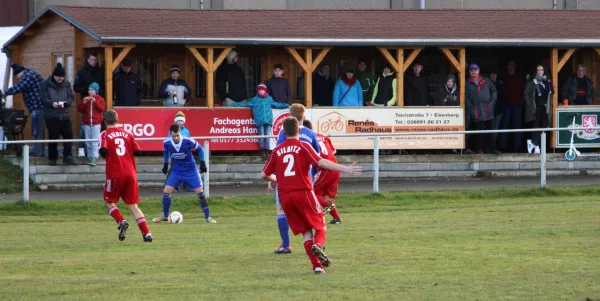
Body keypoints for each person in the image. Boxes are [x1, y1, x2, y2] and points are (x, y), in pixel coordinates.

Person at [261, 116, 362, 274]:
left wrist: (278, 179)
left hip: (285, 197)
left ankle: (317, 266)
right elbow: (321, 162)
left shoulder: (277, 150)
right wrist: (346, 169)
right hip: (303, 193)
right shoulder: (303, 145)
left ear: (284, 132)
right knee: (320, 226)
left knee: (306, 232)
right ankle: (318, 246)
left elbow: (263, 174)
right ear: (299, 130)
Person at [271, 104, 320, 254]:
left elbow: (278, 154)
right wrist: (314, 174)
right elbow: (317, 158)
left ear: (289, 116)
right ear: (304, 117)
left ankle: (286, 245)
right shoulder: (311, 134)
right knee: (309, 211)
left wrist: (272, 178)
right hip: (306, 179)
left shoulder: (284, 133)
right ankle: (315, 243)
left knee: (281, 210)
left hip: (286, 179)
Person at [99, 110, 152, 242]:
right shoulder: (128, 134)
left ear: (105, 122)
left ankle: (121, 221)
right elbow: (138, 152)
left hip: (115, 174)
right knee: (133, 206)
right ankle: (147, 234)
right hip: (130, 174)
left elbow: (103, 151)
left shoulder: (104, 134)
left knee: (109, 202)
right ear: (118, 120)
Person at [153, 124, 215, 224]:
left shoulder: (188, 141)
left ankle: (208, 217)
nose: (176, 138)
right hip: (177, 170)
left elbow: (200, 149)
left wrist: (202, 162)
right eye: (173, 136)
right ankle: (165, 215)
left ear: (180, 133)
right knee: (166, 192)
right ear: (170, 135)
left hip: (191, 170)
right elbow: (166, 152)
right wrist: (165, 164)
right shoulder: (167, 143)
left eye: (177, 135)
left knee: (200, 192)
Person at [302, 120, 343, 224]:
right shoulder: (324, 137)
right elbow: (332, 152)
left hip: (325, 169)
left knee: (311, 194)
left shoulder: (307, 138)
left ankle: (325, 210)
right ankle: (336, 218)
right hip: (335, 168)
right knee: (324, 196)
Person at [232, 84, 290, 153]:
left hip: (268, 120)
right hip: (259, 120)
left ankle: (267, 150)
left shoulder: (269, 99)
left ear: (265, 90)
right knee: (261, 135)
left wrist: (286, 105)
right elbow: (245, 104)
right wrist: (234, 104)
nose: (261, 91)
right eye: (259, 90)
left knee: (267, 135)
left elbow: (277, 104)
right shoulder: (255, 100)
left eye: (262, 90)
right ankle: (262, 150)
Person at [3, 63, 45, 156]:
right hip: (37, 107)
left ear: (19, 73)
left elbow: (20, 86)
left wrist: (5, 93)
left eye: (17, 77)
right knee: (38, 130)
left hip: (39, 107)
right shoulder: (30, 73)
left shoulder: (28, 76)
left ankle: (37, 152)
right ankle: (39, 151)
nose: (18, 79)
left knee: (37, 130)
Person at [39, 63, 76, 166]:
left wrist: (67, 103)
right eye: (59, 76)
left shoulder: (67, 84)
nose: (61, 78)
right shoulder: (45, 84)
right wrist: (52, 104)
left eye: (62, 76)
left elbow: (71, 96)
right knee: (53, 137)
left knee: (68, 135)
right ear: (54, 75)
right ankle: (52, 158)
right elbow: (43, 98)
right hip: (51, 115)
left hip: (64, 114)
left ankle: (67, 157)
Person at [74, 53, 105, 158]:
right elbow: (76, 87)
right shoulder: (82, 72)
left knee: (96, 133)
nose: (94, 62)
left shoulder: (100, 72)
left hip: (97, 102)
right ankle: (82, 151)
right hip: (86, 104)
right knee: (84, 130)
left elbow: (105, 85)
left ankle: (95, 155)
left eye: (95, 60)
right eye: (92, 60)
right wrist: (88, 91)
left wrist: (97, 93)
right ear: (88, 60)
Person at [465, 64, 499, 155]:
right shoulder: (467, 84)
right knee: (479, 132)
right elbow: (465, 97)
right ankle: (479, 150)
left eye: (475, 70)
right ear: (469, 72)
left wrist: (492, 102)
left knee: (491, 130)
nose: (474, 72)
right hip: (476, 110)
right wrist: (471, 108)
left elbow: (494, 90)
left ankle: (492, 149)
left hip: (488, 108)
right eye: (472, 70)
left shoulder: (486, 80)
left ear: (478, 71)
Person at [525, 64, 554, 154]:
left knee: (544, 127)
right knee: (536, 126)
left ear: (543, 71)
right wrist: (530, 105)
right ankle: (535, 145)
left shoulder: (547, 81)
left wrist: (549, 84)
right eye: (538, 70)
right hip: (536, 107)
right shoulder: (532, 82)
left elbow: (552, 92)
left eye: (541, 70)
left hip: (545, 108)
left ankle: (540, 146)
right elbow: (526, 94)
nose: (540, 72)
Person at [498, 60, 526, 153]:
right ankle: (502, 147)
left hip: (517, 105)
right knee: (504, 127)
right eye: (509, 65)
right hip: (506, 106)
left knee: (517, 127)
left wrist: (522, 101)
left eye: (513, 65)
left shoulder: (519, 78)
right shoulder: (503, 78)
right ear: (507, 67)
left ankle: (517, 147)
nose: (511, 66)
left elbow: (524, 91)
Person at [77, 82, 106, 166]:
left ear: (96, 91)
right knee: (88, 141)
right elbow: (80, 109)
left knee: (94, 141)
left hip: (96, 123)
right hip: (86, 123)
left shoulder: (100, 99)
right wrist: (84, 102)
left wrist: (95, 101)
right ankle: (89, 157)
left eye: (92, 90)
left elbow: (102, 108)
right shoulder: (86, 99)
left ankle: (94, 157)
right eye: (89, 90)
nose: (90, 92)